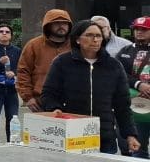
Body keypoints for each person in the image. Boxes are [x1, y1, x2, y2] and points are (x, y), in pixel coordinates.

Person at [40, 20, 140, 155]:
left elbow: (122, 105)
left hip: (104, 136)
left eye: (98, 36)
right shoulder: (62, 62)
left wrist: (130, 135)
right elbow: (48, 93)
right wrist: (54, 108)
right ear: (77, 39)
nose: (95, 40)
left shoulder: (114, 65)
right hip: (72, 133)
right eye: (89, 35)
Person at [15, 9, 72, 112]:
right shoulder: (33, 45)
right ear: (48, 25)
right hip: (40, 103)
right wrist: (28, 97)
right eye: (57, 23)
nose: (61, 26)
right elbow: (23, 72)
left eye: (64, 23)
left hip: (70, 102)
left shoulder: (76, 46)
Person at [116, 16, 150, 159]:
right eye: (136, 29)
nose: (139, 32)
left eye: (144, 30)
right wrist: (139, 85)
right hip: (136, 107)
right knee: (138, 149)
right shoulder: (125, 51)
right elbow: (118, 73)